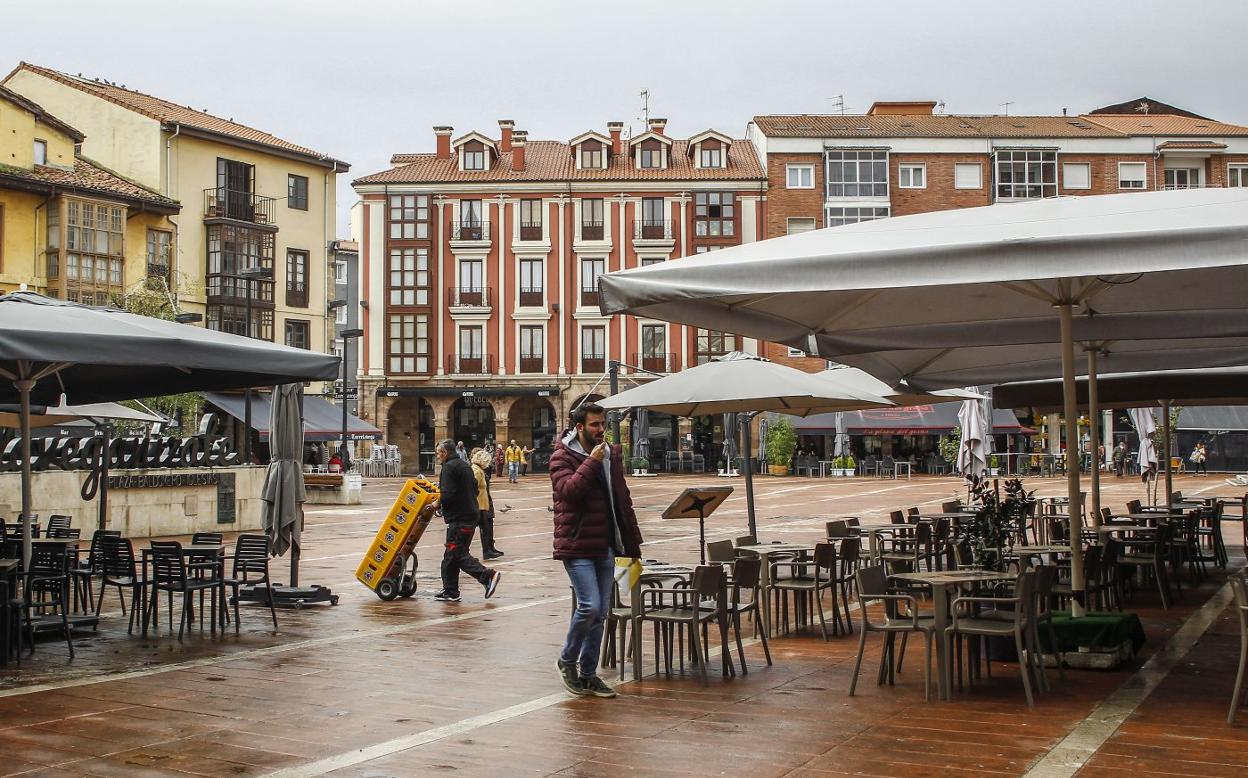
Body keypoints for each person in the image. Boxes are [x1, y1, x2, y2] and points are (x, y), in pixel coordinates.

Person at [549, 402, 643, 699]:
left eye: (602, 423)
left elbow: (621, 498)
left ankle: (588, 674)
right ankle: (567, 661)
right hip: (576, 544)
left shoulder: (611, 454)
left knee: (601, 612)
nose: (600, 429)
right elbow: (569, 493)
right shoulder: (560, 456)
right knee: (588, 606)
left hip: (605, 543)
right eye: (594, 425)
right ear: (579, 427)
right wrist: (591, 461)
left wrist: (631, 541)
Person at [430, 439, 501, 602]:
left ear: (444, 453)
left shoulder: (448, 467)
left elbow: (447, 494)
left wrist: (436, 504)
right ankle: (451, 591)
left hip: (459, 519)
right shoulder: (465, 466)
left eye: (438, 453)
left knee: (457, 552)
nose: (438, 457)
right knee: (450, 555)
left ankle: (487, 576)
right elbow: (475, 489)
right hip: (470, 516)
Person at [471, 447, 504, 560]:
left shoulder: (480, 470)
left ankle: (489, 548)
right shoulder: (477, 471)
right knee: (480, 528)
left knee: (486, 527)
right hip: (479, 505)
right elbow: (472, 488)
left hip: (484, 503)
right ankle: (485, 550)